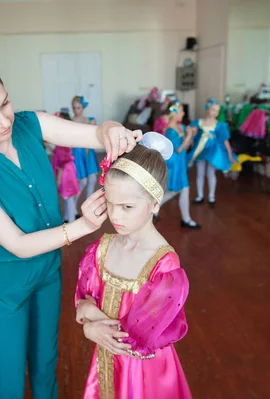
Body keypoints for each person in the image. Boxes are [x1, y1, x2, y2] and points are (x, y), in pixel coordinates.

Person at [0, 46, 141, 399]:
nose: (4, 121)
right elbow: (17, 243)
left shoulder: (29, 124)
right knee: (9, 377)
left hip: (47, 273)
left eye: (4, 103)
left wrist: (111, 130)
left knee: (46, 362)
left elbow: (95, 135)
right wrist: (80, 226)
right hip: (4, 288)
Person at [75, 133, 191, 398]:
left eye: (127, 206)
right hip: (106, 359)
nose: (115, 215)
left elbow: (136, 339)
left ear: (155, 203)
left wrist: (91, 325)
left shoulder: (165, 268)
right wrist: (87, 317)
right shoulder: (101, 249)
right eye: (111, 204)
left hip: (143, 374)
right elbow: (82, 303)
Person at [155, 101, 200, 228]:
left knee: (183, 189)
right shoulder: (170, 130)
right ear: (174, 113)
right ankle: (156, 208)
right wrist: (190, 135)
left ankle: (185, 219)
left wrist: (192, 134)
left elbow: (189, 144)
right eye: (181, 111)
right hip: (174, 164)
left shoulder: (181, 127)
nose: (183, 113)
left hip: (180, 163)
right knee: (178, 189)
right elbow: (179, 148)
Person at [188, 99, 237, 207]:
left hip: (213, 151)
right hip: (201, 150)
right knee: (200, 174)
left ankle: (211, 196)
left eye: (217, 111)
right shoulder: (198, 122)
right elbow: (192, 135)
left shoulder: (220, 125)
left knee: (211, 173)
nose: (215, 112)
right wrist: (192, 133)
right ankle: (200, 196)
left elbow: (225, 140)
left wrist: (229, 153)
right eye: (213, 110)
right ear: (207, 109)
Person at [52, 111, 80, 223]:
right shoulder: (62, 137)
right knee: (68, 197)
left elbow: (64, 160)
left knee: (68, 196)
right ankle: (67, 218)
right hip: (67, 169)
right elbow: (59, 154)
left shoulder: (64, 139)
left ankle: (71, 221)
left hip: (65, 172)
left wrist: (58, 176)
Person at [72, 95, 101, 203]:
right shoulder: (70, 121)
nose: (76, 110)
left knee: (92, 178)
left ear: (83, 108)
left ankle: (89, 203)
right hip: (77, 152)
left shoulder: (90, 120)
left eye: (78, 108)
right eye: (74, 108)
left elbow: (95, 135)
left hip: (88, 152)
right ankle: (72, 205)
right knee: (82, 181)